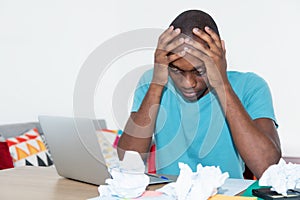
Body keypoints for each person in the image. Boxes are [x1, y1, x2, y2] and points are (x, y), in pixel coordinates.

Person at [117, 9, 281, 179]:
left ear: (219, 56)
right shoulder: (153, 83)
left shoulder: (250, 86)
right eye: (176, 70)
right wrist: (157, 84)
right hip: (169, 193)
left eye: (199, 71)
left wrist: (221, 83)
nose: (189, 83)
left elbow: (267, 167)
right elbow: (127, 162)